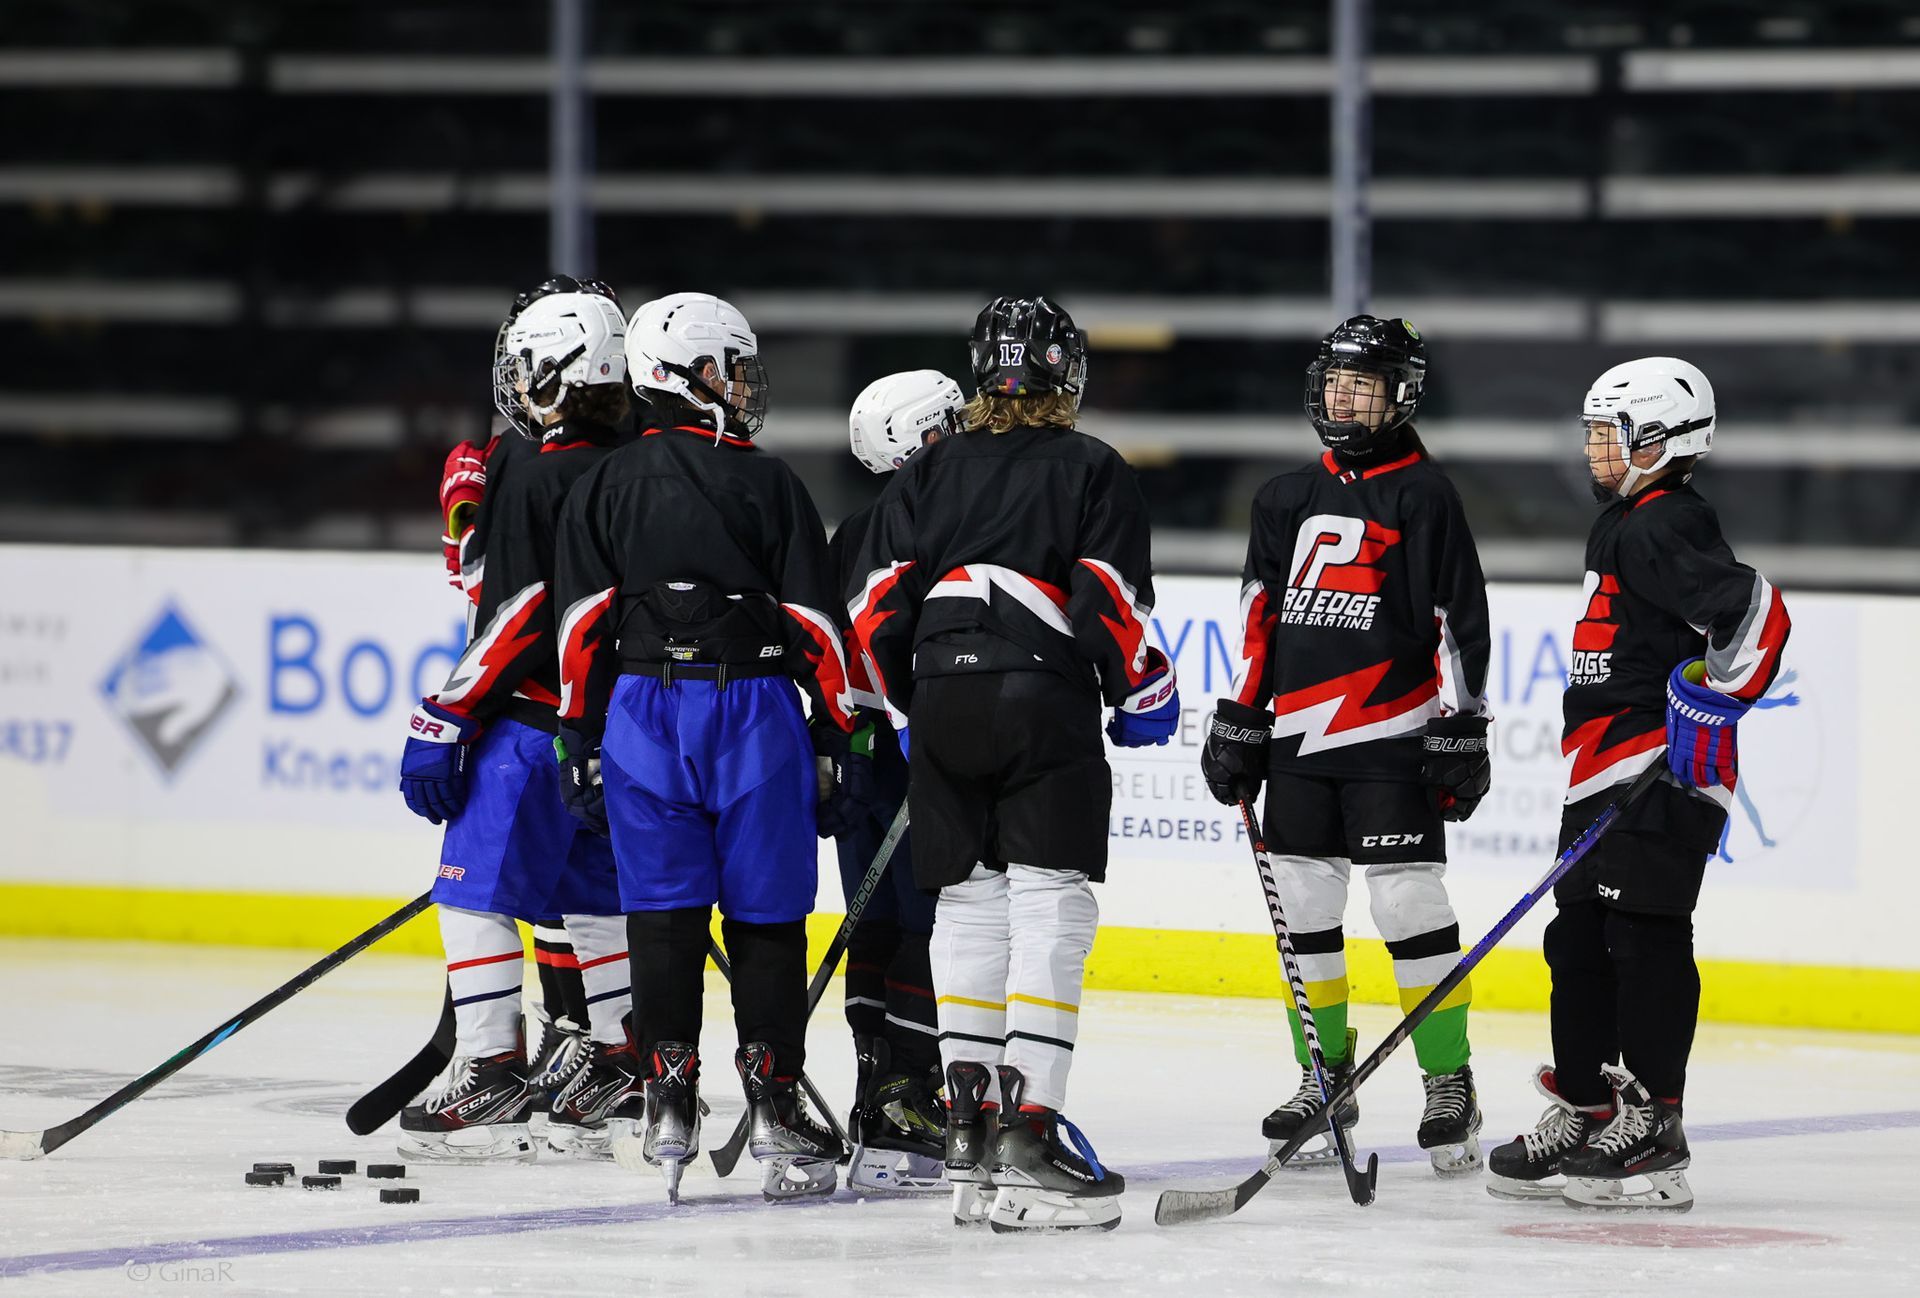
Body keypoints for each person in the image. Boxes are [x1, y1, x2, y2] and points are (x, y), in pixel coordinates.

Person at [848, 295, 1178, 1233]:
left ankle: (967, 1131)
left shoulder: (929, 468)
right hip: (1043, 701)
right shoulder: (1093, 466)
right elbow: (1108, 601)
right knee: (1049, 899)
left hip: (942, 702)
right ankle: (1029, 1133)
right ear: (1067, 374)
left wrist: (917, 701)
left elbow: (872, 609)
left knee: (967, 902)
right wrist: (1140, 692)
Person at [552, 292, 869, 1205]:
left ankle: (668, 1103)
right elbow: (816, 623)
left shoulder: (599, 486)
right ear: (688, 375)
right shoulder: (768, 482)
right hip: (754, 705)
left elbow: (579, 627)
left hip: (642, 716)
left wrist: (579, 734)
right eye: (729, 367)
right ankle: (775, 1102)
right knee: (766, 916)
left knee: (662, 915)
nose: (741, 385)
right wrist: (843, 728)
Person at [1486, 357, 1789, 1210]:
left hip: (1661, 771)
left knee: (1646, 940)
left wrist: (1713, 705)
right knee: (1577, 942)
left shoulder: (1666, 524)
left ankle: (1657, 1127)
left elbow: (1760, 614)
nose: (1594, 451)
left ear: (1661, 441)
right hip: (1602, 770)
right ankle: (1589, 1107)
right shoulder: (1624, 522)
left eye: (1608, 435)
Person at [1200, 315, 1493, 1176]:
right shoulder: (1282, 497)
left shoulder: (1426, 495)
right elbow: (1259, 624)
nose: (1346, 397)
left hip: (1393, 737)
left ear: (1401, 395)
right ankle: (1323, 1075)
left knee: (1407, 904)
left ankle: (1451, 1080)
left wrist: (1462, 726)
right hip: (1299, 739)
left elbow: (1460, 624)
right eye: (1336, 382)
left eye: (1364, 384)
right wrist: (1241, 719)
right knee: (1302, 908)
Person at [394, 282, 637, 1163]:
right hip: (624, 726)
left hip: (534, 722)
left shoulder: (533, 469)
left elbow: (513, 607)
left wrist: (449, 711)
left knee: (472, 895)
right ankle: (623, 1058)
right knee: (597, 898)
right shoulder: (645, 457)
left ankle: (492, 1068)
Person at [833, 370, 967, 1193]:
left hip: (858, 751)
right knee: (928, 918)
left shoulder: (852, 526)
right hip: (916, 743)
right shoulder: (934, 520)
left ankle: (876, 1092)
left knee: (873, 922)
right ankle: (907, 1096)